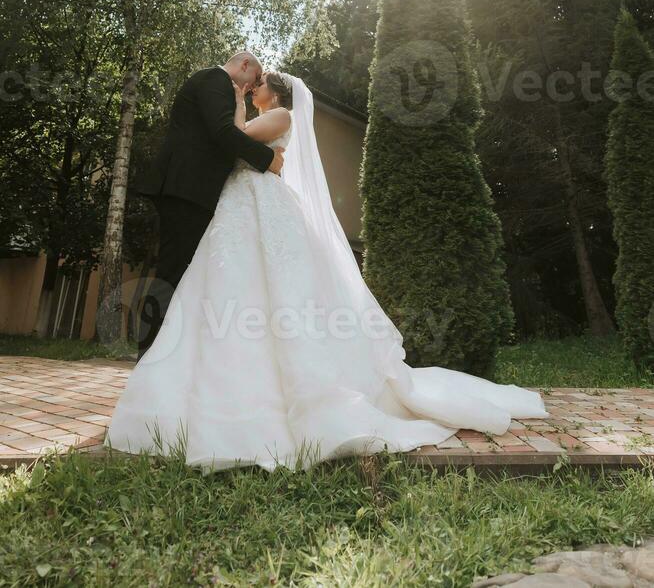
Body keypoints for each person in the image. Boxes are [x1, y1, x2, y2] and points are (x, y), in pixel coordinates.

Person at [106, 72, 549, 472]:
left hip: (261, 205)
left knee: (272, 290)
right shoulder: (269, 114)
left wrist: (236, 99)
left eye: (257, 83)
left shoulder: (279, 115)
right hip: (238, 207)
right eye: (251, 83)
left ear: (274, 92)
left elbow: (236, 136)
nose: (252, 86)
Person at [134, 52, 285, 362]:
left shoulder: (218, 85)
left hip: (193, 191)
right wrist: (268, 159)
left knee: (183, 274)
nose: (253, 86)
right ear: (245, 65)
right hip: (185, 189)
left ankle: (168, 355)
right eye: (255, 78)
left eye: (259, 84)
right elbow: (222, 133)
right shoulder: (213, 80)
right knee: (172, 273)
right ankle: (147, 354)